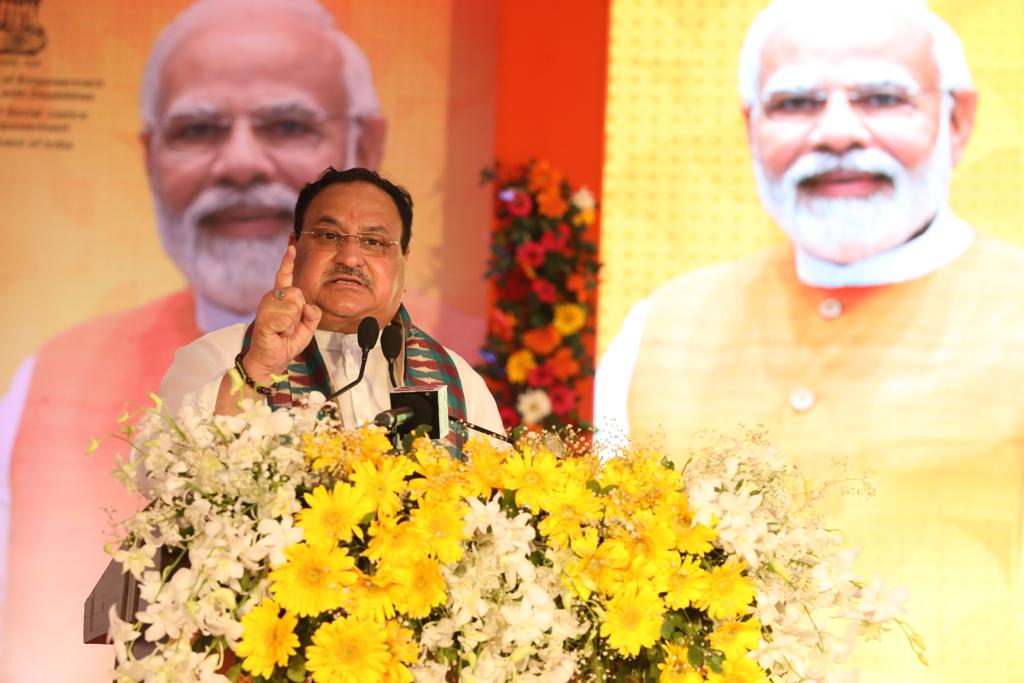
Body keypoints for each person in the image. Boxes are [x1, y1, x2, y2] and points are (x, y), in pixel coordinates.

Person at [595, 1, 1024, 681]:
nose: (836, 132)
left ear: (958, 119)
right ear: (752, 126)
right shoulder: (661, 325)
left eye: (881, 97)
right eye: (795, 103)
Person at [0, 1, 388, 678]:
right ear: (151, 157)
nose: (239, 163)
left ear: (368, 146)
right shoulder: (59, 376)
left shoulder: (454, 373)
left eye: (287, 123)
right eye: (198, 129)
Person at [161, 166, 504, 440]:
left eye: (373, 241)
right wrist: (256, 372)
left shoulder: (458, 380)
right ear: (294, 247)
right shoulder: (217, 356)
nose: (351, 257)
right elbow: (161, 477)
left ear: (404, 261)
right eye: (329, 236)